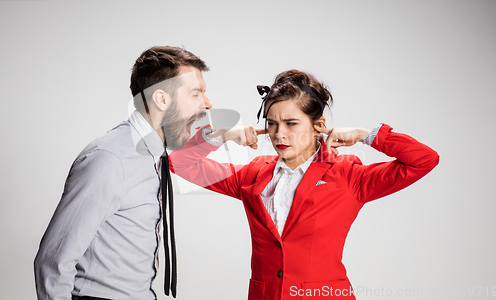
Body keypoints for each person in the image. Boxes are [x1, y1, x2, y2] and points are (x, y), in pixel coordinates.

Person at [170, 69, 439, 300]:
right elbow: (180, 164)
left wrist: (365, 135)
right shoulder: (253, 175)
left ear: (318, 125)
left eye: (291, 123)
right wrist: (222, 137)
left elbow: (424, 160)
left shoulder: (348, 175)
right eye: (272, 124)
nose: (279, 134)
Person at [34, 46, 212, 300]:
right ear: (161, 99)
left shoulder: (153, 155)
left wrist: (228, 135)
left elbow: (190, 158)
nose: (207, 104)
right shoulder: (109, 160)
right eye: (196, 94)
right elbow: (52, 262)